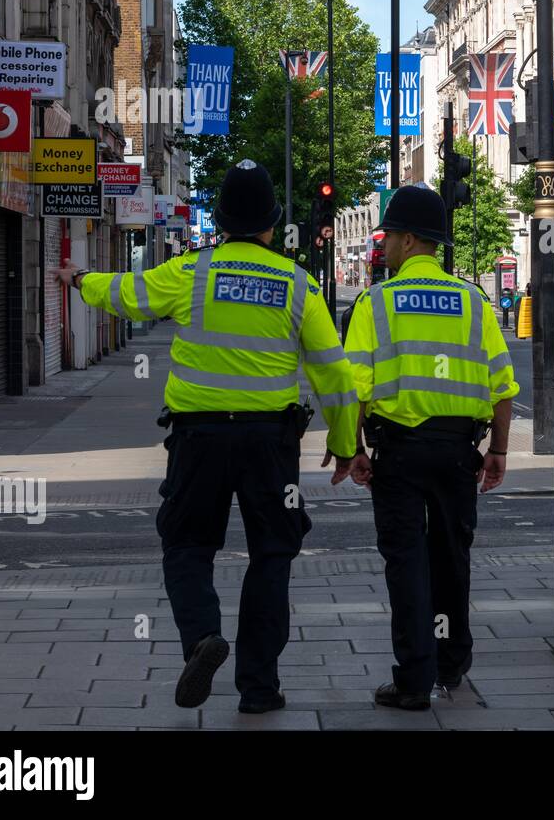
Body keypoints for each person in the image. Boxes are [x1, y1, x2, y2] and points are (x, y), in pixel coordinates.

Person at [55, 160, 363, 714]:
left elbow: (129, 293)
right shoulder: (297, 282)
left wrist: (80, 280)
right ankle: (260, 688)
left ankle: (202, 638)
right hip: (271, 445)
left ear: (220, 222)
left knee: (187, 546)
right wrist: (346, 445)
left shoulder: (192, 272)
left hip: (197, 440)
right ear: (272, 224)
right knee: (272, 554)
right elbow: (335, 374)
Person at [341, 186, 518, 710]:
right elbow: (503, 387)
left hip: (397, 453)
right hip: (457, 453)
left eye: (389, 236)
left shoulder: (375, 303)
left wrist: (354, 449)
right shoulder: (473, 302)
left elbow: (355, 388)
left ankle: (414, 679)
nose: (384, 245)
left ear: (410, 239)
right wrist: (499, 452)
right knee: (451, 556)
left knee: (406, 563)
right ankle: (452, 661)